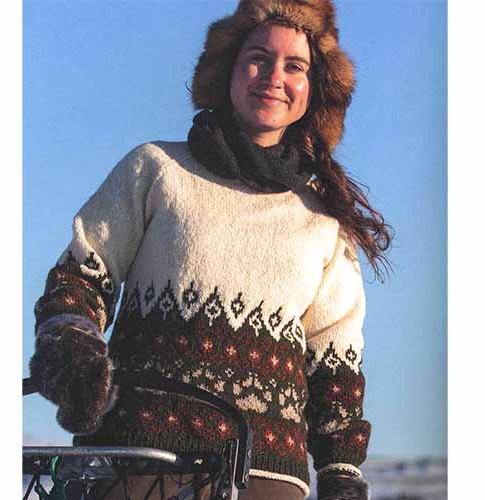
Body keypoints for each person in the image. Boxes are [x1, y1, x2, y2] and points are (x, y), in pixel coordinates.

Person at [29, 1, 393, 499]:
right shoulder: (156, 169)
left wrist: (341, 471)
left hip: (264, 479)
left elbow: (336, 362)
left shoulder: (324, 221)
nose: (274, 77)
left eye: (295, 66)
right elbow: (81, 275)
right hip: (137, 463)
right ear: (227, 67)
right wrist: (72, 340)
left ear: (314, 88)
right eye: (258, 58)